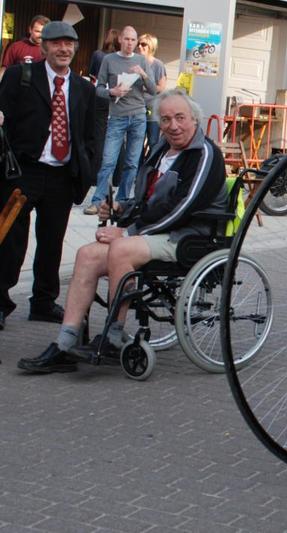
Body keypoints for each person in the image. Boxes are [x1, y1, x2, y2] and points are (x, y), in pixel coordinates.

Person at [16, 89, 228, 373]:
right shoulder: (161, 151)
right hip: (155, 232)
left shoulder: (204, 153)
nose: (173, 126)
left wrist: (128, 232)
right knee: (87, 254)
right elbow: (146, 200)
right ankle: (65, 343)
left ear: (194, 119)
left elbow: (185, 205)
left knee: (120, 248)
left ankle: (114, 334)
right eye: (165, 120)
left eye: (180, 118)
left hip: (188, 235)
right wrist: (120, 210)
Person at [0, 21, 97, 334]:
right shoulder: (20, 77)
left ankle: (43, 302)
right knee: (10, 240)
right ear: (44, 47)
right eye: (56, 43)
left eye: (69, 43)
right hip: (23, 172)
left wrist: (87, 169)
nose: (63, 49)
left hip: (61, 175)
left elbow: (90, 133)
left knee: (52, 241)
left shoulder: (84, 88)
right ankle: (1, 302)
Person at [86, 26, 158, 214]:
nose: (130, 43)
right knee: (108, 160)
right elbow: (98, 88)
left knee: (132, 162)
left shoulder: (142, 60)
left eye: (133, 40)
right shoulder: (109, 60)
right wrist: (112, 91)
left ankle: (122, 201)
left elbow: (152, 89)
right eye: (127, 39)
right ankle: (98, 200)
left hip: (138, 115)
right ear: (120, 40)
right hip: (117, 115)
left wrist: (142, 73)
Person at [137, 33, 168, 163]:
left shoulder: (158, 64)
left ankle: (150, 168)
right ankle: (136, 173)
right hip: (136, 106)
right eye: (139, 43)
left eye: (143, 44)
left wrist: (147, 87)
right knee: (136, 141)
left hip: (152, 107)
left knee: (153, 140)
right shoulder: (134, 62)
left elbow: (162, 86)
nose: (140, 46)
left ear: (151, 46)